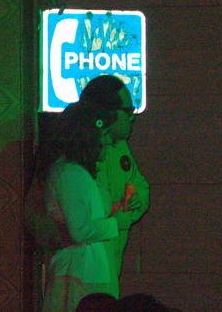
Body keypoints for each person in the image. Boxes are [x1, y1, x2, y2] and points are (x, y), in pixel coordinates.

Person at [41, 101, 134, 311]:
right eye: (104, 134)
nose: (108, 141)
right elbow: (80, 231)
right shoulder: (70, 174)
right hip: (80, 275)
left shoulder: (78, 173)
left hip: (86, 272)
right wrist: (116, 223)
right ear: (89, 137)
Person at [79, 76, 150, 277]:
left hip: (111, 260)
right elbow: (77, 225)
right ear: (105, 113)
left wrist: (135, 201)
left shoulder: (119, 147)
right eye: (127, 111)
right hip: (80, 266)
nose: (132, 117)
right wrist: (116, 222)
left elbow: (138, 185)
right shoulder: (73, 154)